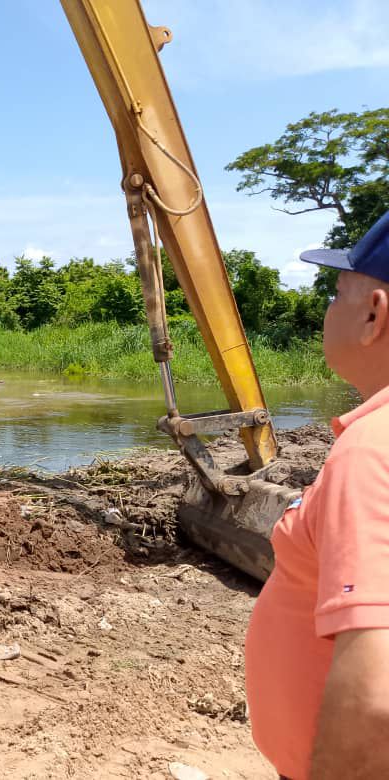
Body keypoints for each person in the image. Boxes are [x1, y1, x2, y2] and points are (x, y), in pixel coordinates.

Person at [246, 210, 389, 779]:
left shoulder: (372, 452)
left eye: (336, 294)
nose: (328, 311)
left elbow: (376, 707)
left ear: (374, 315)